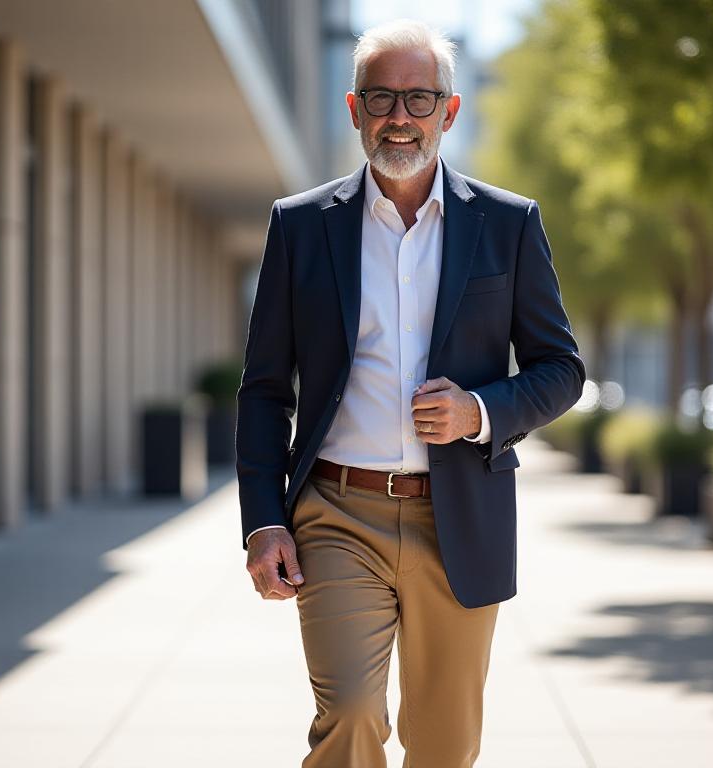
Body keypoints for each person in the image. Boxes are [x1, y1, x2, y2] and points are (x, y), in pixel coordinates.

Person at [236, 18, 586, 768]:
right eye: (383, 98)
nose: (401, 117)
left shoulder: (508, 224)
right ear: (355, 109)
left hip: (459, 515)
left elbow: (562, 369)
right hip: (336, 515)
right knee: (352, 718)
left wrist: (479, 411)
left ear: (449, 112)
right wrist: (263, 522)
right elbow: (265, 389)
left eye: (419, 99)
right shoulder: (300, 228)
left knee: (444, 746)